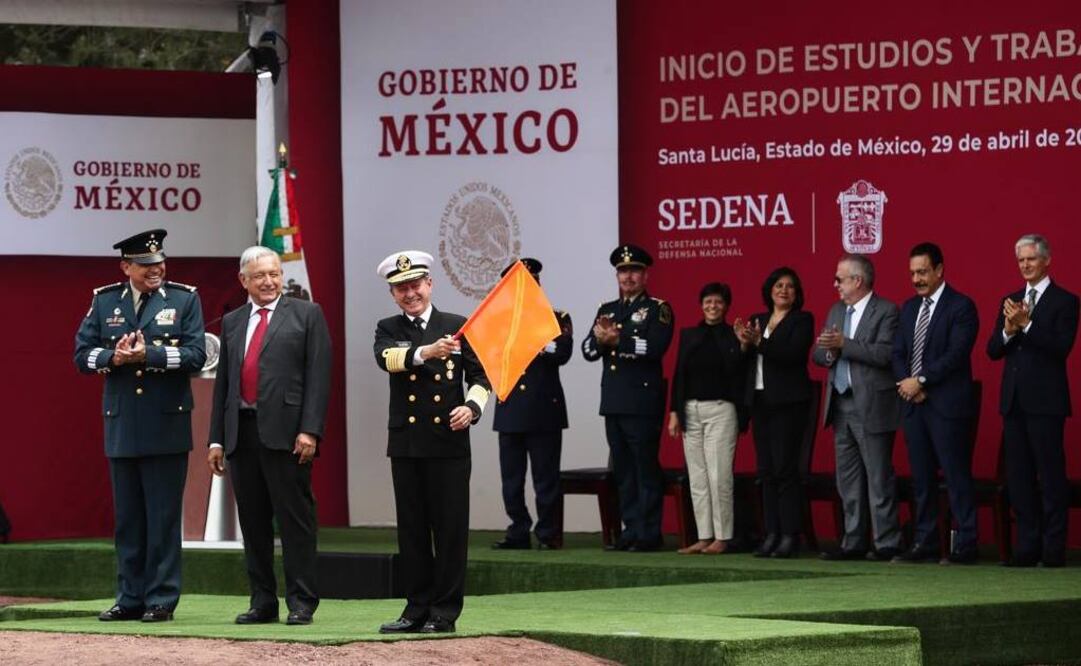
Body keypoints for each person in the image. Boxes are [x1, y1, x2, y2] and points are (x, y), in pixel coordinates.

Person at [74, 229, 206, 622]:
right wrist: (114, 358)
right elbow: (82, 355)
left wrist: (148, 354)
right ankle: (129, 597)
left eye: (160, 263)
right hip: (123, 425)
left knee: (163, 519)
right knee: (129, 520)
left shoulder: (184, 299)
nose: (156, 270)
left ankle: (161, 599)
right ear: (126, 267)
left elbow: (196, 354)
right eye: (146, 265)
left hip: (166, 424)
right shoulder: (105, 301)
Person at [207, 246, 331, 625]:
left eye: (274, 273)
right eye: (259, 275)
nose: (269, 281)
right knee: (254, 524)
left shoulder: (307, 314)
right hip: (241, 436)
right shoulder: (232, 321)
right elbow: (224, 385)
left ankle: (301, 601)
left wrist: (310, 429)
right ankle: (262, 601)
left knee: (295, 521)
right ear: (243, 280)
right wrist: (216, 439)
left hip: (288, 434)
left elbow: (319, 377)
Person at [374, 250, 491, 634]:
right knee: (411, 529)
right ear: (393, 293)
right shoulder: (387, 327)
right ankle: (415, 609)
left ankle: (444, 612)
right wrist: (427, 351)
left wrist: (470, 409)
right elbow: (387, 359)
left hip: (448, 442)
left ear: (430, 284)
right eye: (401, 288)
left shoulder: (456, 324)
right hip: (407, 443)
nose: (410, 294)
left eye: (415, 285)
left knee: (450, 529)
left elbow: (480, 378)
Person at [987, 234, 1079, 568]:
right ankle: (1026, 548)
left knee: (1051, 478)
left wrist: (1027, 324)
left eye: (1031, 259)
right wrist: (1010, 330)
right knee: (1020, 478)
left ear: (1046, 260)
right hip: (1013, 402)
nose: (1025, 265)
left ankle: (1053, 550)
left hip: (1046, 404)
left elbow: (1060, 348)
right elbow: (993, 350)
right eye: (1021, 260)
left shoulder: (1065, 301)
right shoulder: (1010, 300)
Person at [581, 244, 674, 552]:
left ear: (645, 274)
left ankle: (649, 533)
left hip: (643, 401)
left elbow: (656, 347)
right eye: (622, 271)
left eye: (634, 271)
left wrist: (618, 340)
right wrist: (602, 341)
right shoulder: (607, 309)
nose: (628, 276)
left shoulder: (658, 308)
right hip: (613, 401)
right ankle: (630, 529)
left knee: (644, 467)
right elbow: (587, 350)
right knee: (623, 469)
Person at [891, 242, 979, 564]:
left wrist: (923, 381)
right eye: (913, 272)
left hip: (946, 405)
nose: (917, 279)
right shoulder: (909, 308)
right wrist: (908, 384)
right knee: (922, 478)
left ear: (940, 270)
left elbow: (956, 354)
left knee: (955, 476)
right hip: (914, 405)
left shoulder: (961, 307)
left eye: (923, 272)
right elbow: (898, 352)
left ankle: (965, 544)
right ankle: (925, 542)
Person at [813, 255, 903, 561]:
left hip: (872, 404)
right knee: (848, 479)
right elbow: (819, 353)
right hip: (840, 404)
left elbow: (885, 354)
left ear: (857, 281)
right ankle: (854, 541)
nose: (835, 284)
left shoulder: (887, 311)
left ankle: (886, 542)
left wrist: (844, 344)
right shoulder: (836, 310)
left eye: (840, 279)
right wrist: (827, 352)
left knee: (878, 478)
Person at [491, 258, 573, 551]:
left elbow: (562, 352)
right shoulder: (499, 321)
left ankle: (547, 532)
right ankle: (518, 530)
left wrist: (535, 340)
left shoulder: (556, 317)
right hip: (510, 408)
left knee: (545, 478)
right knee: (511, 480)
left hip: (543, 410)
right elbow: (490, 356)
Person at [736, 267, 814, 559]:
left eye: (790, 287)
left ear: (797, 294)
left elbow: (791, 354)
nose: (784, 290)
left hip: (788, 404)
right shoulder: (758, 319)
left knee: (785, 471)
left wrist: (759, 343)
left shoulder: (802, 320)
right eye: (779, 285)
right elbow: (747, 360)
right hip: (761, 403)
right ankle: (770, 533)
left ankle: (789, 535)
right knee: (766, 472)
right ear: (769, 290)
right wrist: (744, 344)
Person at [667, 282, 747, 555]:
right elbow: (679, 376)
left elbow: (738, 370)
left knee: (719, 475)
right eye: (708, 302)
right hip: (691, 411)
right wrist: (674, 412)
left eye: (718, 302)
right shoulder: (690, 335)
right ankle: (703, 536)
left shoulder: (732, 336)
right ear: (701, 305)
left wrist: (740, 343)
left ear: (726, 307)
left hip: (721, 410)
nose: (712, 307)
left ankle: (722, 537)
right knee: (697, 477)